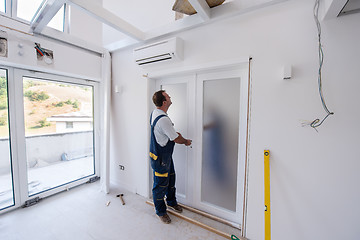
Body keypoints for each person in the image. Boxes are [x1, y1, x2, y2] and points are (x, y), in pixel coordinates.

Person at [149, 90, 192, 224]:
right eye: (168, 96)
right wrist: (185, 141)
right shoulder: (163, 119)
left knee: (171, 180)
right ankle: (161, 211)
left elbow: (167, 133)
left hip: (165, 157)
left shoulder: (156, 113)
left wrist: (173, 134)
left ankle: (172, 203)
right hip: (161, 159)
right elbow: (176, 139)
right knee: (160, 186)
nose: (170, 97)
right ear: (164, 102)